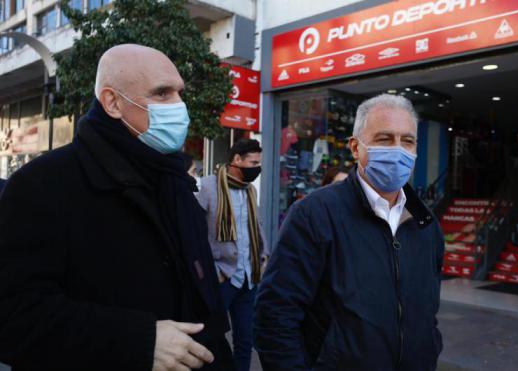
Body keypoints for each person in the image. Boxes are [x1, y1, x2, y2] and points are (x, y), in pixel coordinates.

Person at [0, 44, 233, 371]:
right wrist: (138, 341)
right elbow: (14, 318)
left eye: (180, 93)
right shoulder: (42, 184)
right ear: (112, 102)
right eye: (162, 93)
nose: (180, 107)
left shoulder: (174, 180)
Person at [254, 94, 444, 371]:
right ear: (356, 148)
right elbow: (275, 315)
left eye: (408, 141)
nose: (398, 150)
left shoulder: (425, 223)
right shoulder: (315, 214)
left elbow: (427, 313)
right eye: (384, 139)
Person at [196, 139, 270, 371]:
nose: (257, 168)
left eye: (259, 162)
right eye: (253, 162)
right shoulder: (208, 186)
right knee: (210, 337)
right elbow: (195, 232)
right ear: (237, 160)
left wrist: (264, 256)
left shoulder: (250, 191)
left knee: (245, 340)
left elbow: (255, 226)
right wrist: (211, 270)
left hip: (249, 278)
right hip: (222, 276)